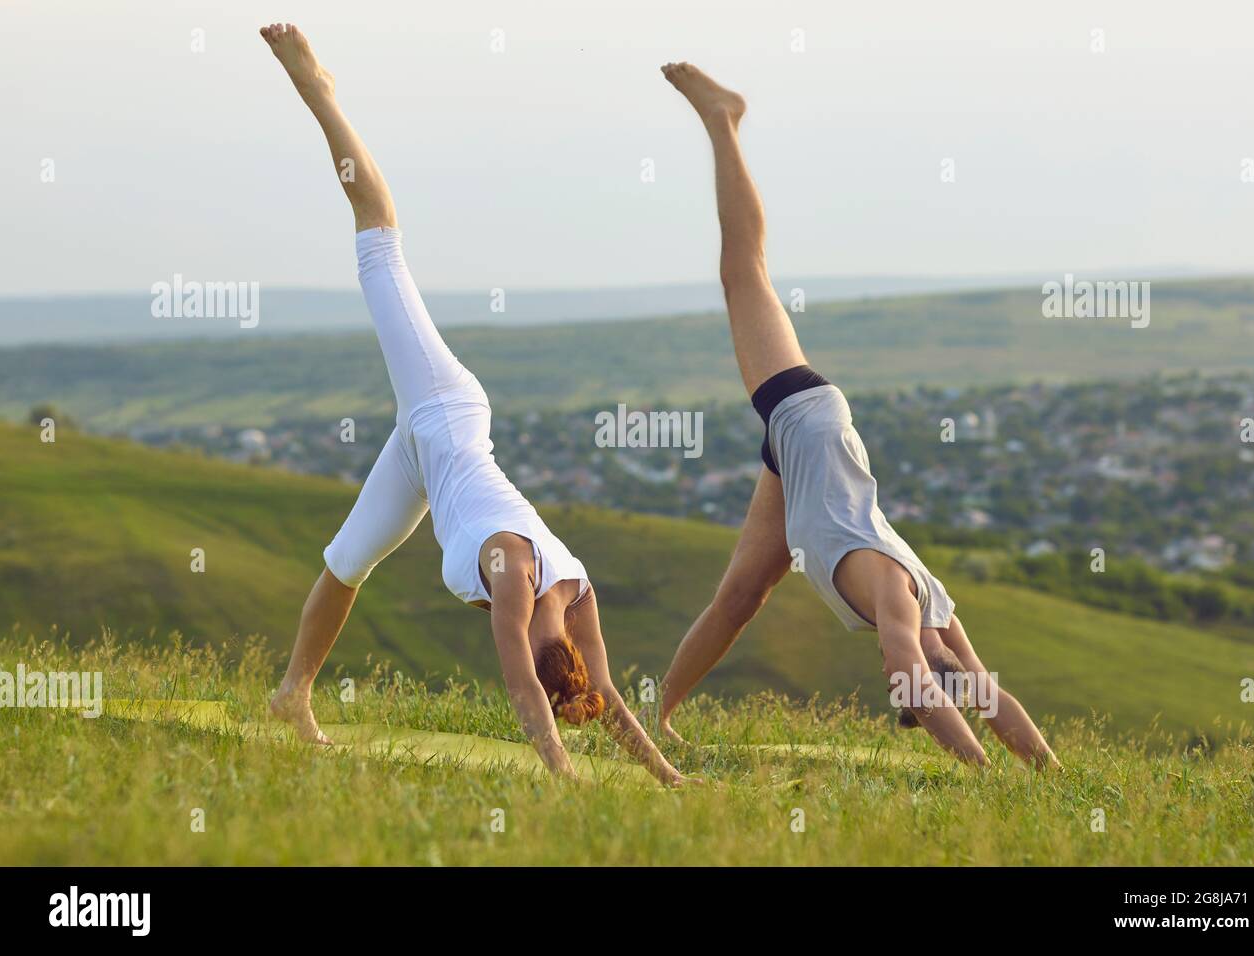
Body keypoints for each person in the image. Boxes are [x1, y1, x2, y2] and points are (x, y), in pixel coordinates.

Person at [259, 23, 690, 787]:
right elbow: (522, 687)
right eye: (529, 639)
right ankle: (319, 93)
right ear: (537, 634)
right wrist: (561, 776)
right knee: (380, 243)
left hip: (425, 456)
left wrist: (669, 778)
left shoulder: (576, 600)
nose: (523, 638)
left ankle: (291, 694)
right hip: (447, 411)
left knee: (346, 563)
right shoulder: (514, 574)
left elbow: (612, 698)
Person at [655, 62, 1060, 770]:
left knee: (741, 596)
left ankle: (657, 715)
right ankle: (722, 118)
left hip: (807, 465)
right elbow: (915, 676)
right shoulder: (906, 610)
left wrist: (1048, 776)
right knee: (743, 270)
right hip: (809, 424)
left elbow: (990, 697)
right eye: (911, 684)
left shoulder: (941, 619)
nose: (894, 680)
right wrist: (982, 776)